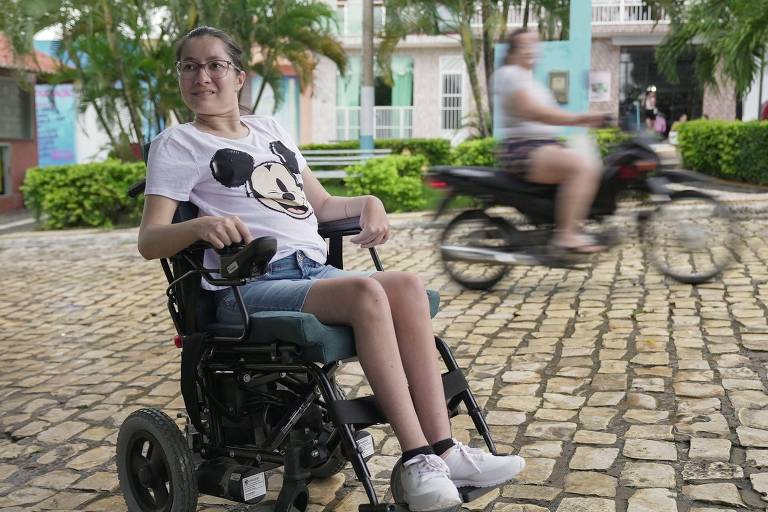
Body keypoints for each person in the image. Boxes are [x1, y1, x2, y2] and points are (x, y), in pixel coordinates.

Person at [138, 26, 524, 512]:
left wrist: (369, 201)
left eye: (214, 65)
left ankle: (446, 451)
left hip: (309, 271)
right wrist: (199, 228)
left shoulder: (271, 130)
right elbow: (150, 240)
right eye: (189, 66)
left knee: (404, 284)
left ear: (239, 76)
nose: (202, 77)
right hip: (248, 284)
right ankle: (417, 460)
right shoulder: (177, 144)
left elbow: (320, 205)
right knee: (367, 294)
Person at [493, 28, 608, 254]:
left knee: (593, 163)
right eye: (526, 46)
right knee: (582, 168)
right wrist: (582, 119)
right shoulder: (510, 74)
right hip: (523, 149)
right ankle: (565, 235)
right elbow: (534, 112)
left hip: (543, 144)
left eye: (535, 45)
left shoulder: (529, 80)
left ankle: (572, 222)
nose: (532, 50)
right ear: (513, 51)